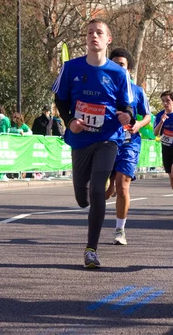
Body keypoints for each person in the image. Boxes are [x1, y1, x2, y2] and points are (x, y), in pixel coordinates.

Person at [51, 18, 134, 269]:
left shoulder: (118, 73)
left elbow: (127, 105)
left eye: (99, 33)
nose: (93, 36)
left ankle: (91, 250)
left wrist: (126, 115)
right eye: (89, 33)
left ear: (108, 40)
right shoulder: (71, 68)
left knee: (98, 189)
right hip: (80, 139)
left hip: (108, 137)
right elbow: (61, 99)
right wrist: (71, 120)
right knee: (82, 198)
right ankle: (88, 197)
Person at [104, 47, 151, 246]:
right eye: (114, 64)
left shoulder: (137, 91)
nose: (118, 68)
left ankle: (119, 230)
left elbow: (147, 116)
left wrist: (138, 124)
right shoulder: (104, 88)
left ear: (129, 69)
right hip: (106, 141)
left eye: (122, 65)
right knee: (105, 192)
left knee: (123, 186)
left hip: (129, 143)